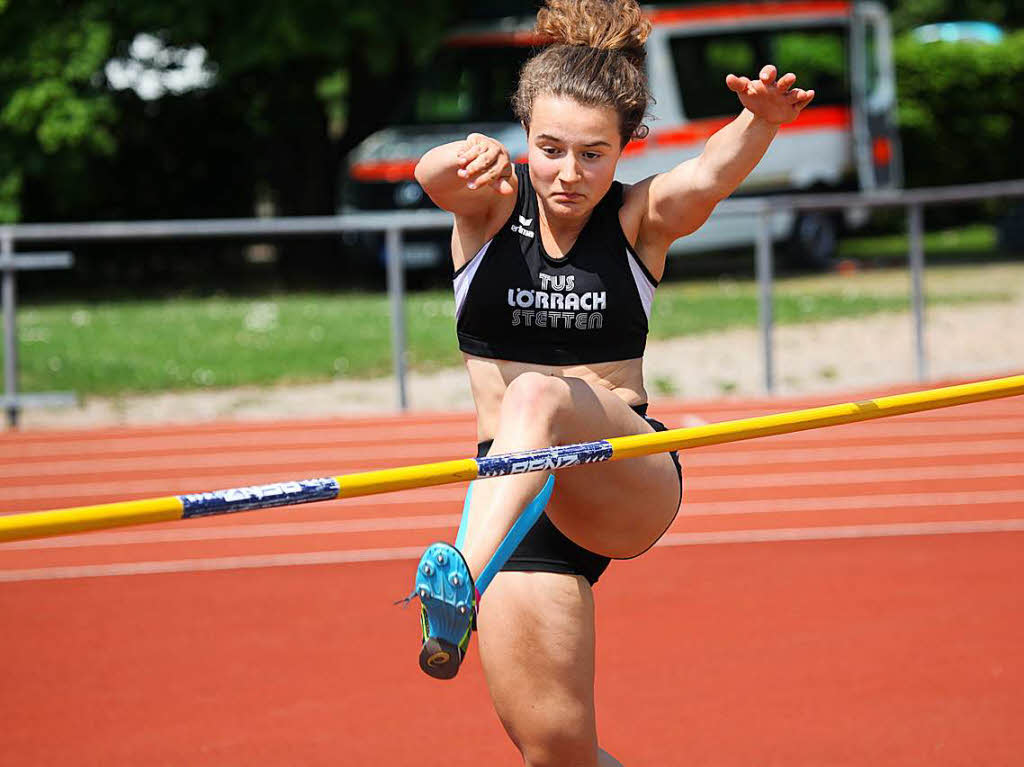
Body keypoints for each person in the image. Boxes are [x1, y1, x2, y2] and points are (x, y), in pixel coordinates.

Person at [409, 1, 814, 764]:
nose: (569, 174)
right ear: (522, 137)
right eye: (550, 149)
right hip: (520, 512)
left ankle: (459, 577)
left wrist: (759, 122)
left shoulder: (637, 221)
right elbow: (435, 180)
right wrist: (458, 153)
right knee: (558, 752)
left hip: (620, 475)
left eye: (593, 154)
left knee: (538, 392)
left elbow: (709, 174)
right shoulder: (491, 209)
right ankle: (470, 577)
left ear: (627, 148)